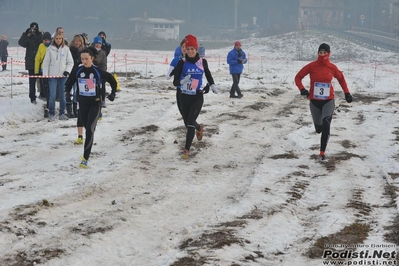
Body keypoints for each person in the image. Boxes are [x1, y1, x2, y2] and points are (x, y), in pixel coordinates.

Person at [294, 43, 353, 161]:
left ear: (328, 53)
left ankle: (322, 153)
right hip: (314, 102)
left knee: (326, 123)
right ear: (318, 54)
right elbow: (298, 77)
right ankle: (318, 127)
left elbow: (341, 79)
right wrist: (302, 90)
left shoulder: (332, 67)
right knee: (319, 129)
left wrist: (347, 93)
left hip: (328, 101)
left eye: (324, 53)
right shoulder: (311, 66)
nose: (322, 55)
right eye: (320, 53)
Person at [64, 46, 117, 168]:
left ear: (92, 58)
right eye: (82, 59)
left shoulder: (97, 71)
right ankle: (85, 153)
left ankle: (85, 157)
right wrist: (66, 91)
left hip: (95, 103)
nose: (84, 61)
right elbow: (70, 81)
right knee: (85, 124)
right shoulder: (78, 70)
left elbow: (112, 80)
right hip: (82, 103)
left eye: (86, 59)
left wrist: (113, 92)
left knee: (89, 129)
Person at [173, 34, 218, 159]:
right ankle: (200, 128)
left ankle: (186, 149)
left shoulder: (202, 62)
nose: (190, 51)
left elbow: (208, 75)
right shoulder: (182, 63)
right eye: (188, 49)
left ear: (196, 49)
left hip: (197, 96)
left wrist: (212, 85)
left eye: (193, 49)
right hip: (184, 96)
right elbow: (175, 81)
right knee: (188, 123)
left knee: (190, 122)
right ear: (185, 50)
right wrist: (182, 81)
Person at [42, 33, 74, 121]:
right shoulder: (50, 50)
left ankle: (62, 113)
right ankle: (51, 113)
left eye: (60, 38)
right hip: (52, 76)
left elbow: (70, 62)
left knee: (62, 95)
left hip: (63, 76)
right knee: (52, 95)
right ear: (54, 39)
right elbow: (46, 63)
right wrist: (45, 75)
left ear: (62, 39)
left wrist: (67, 70)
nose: (58, 40)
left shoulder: (66, 49)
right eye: (57, 38)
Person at [18, 22, 43, 104]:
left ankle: (43, 95)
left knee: (42, 80)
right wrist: (25, 34)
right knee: (32, 81)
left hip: (39, 62)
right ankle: (32, 97)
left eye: (35, 28)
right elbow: (21, 43)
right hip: (30, 62)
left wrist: (35, 35)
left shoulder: (40, 36)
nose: (34, 30)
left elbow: (40, 42)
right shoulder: (28, 36)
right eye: (32, 28)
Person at [166, 37, 186, 116]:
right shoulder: (176, 60)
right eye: (183, 47)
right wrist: (173, 73)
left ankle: (193, 126)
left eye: (187, 47)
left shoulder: (196, 60)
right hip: (179, 88)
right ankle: (195, 127)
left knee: (189, 114)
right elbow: (167, 76)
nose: (185, 49)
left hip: (193, 91)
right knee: (183, 113)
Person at [67, 34, 85, 118]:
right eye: (76, 41)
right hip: (70, 73)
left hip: (79, 74)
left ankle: (75, 110)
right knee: (68, 91)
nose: (77, 43)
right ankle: (69, 110)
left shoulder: (83, 51)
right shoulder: (69, 50)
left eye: (79, 41)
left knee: (76, 92)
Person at [34, 31, 52, 117]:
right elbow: (37, 58)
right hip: (42, 70)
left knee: (51, 88)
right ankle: (47, 104)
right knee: (45, 88)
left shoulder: (53, 47)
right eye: (44, 40)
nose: (46, 42)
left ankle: (50, 105)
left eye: (47, 40)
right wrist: (37, 71)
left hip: (52, 71)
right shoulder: (41, 46)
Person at [92, 36, 108, 108]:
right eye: (97, 43)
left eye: (99, 44)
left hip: (100, 71)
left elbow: (104, 64)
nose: (98, 45)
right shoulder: (90, 50)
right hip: (91, 72)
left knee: (102, 86)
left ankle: (103, 100)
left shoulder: (103, 53)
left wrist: (103, 73)